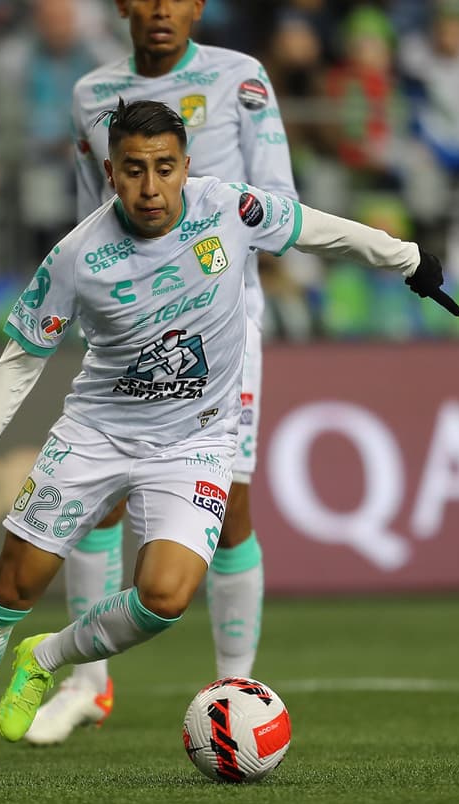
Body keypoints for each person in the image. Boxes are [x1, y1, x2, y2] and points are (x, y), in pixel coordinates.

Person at [0, 98, 459, 775]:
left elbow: (313, 228)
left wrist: (406, 258)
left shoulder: (229, 209)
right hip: (97, 432)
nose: (151, 187)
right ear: (110, 172)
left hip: (194, 441)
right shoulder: (78, 256)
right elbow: (18, 366)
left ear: (187, 165)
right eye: (134, 170)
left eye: (165, 168)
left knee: (165, 597)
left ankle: (47, 657)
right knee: (13, 585)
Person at [29, 0, 301, 745]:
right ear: (121, 6)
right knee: (97, 497)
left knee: (232, 504)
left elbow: (278, 202)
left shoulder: (240, 77)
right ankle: (89, 684)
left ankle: (235, 686)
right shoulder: (91, 93)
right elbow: (94, 212)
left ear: (199, 6)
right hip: (124, 317)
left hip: (223, 326)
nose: (160, 10)